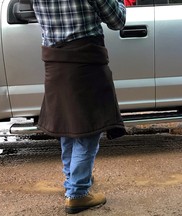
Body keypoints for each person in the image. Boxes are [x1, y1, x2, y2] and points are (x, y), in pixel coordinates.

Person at [32, 0, 127, 214]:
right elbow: (117, 21)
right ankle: (77, 193)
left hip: (54, 62)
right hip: (86, 61)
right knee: (88, 127)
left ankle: (73, 179)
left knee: (68, 123)